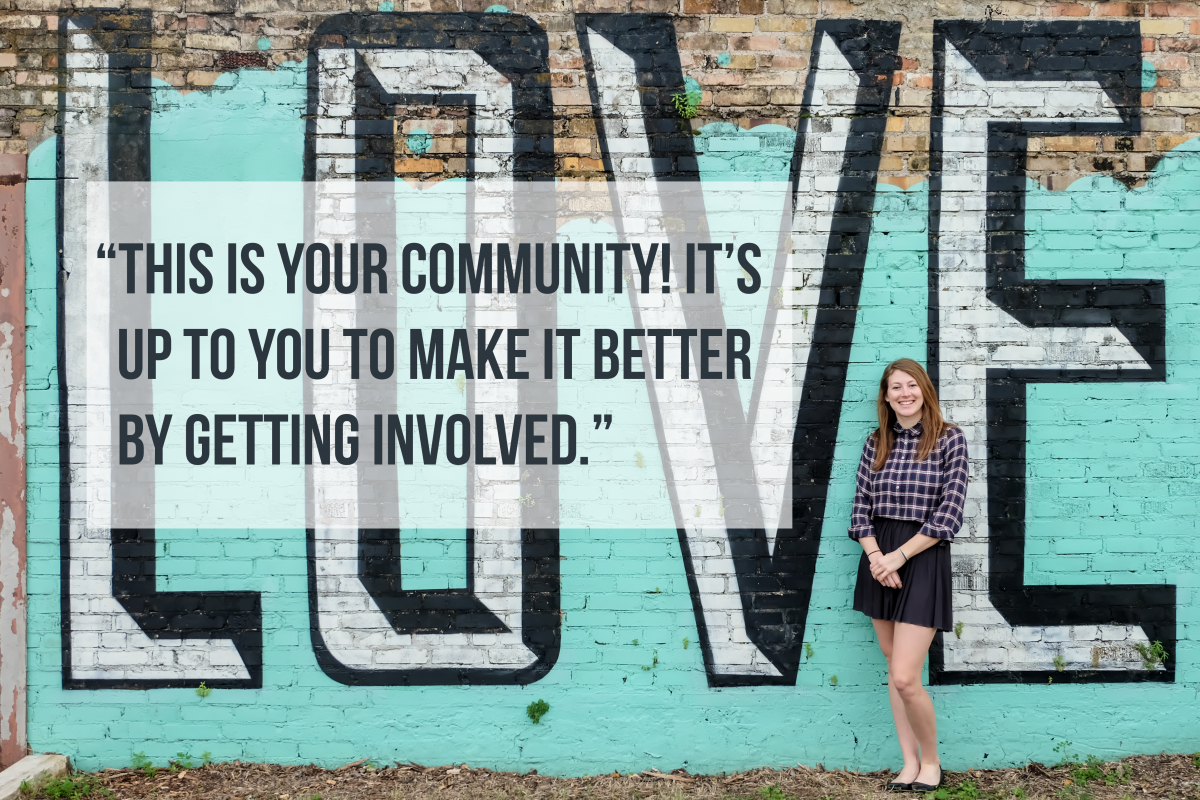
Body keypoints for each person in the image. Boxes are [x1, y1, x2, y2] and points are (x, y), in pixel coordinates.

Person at [849, 358, 969, 793]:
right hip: (878, 557)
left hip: (921, 555)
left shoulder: (949, 440)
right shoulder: (875, 442)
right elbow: (860, 509)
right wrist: (878, 557)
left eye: (911, 385)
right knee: (891, 665)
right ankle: (908, 763)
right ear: (885, 396)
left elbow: (949, 515)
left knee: (905, 675)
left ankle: (932, 761)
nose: (904, 393)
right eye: (895, 387)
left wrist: (898, 556)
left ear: (924, 389)